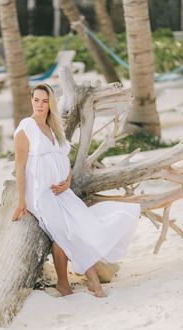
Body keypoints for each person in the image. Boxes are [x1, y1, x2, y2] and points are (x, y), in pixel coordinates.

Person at [12, 83, 140, 298]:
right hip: (40, 193)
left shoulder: (54, 128)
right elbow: (20, 167)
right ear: (31, 100)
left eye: (44, 101)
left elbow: (64, 160)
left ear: (50, 103)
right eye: (36, 100)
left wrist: (67, 181)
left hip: (61, 191)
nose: (40, 105)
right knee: (63, 231)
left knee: (83, 223)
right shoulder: (26, 128)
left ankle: (74, 283)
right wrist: (21, 202)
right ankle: (88, 281)